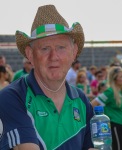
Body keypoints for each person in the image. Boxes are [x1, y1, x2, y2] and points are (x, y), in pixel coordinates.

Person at [0, 4, 94, 150]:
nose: (54, 57)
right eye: (45, 49)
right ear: (30, 55)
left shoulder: (81, 100)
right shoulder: (12, 97)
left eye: (61, 47)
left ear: (74, 52)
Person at [91, 66, 122, 150]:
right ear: (114, 78)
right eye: (121, 76)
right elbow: (93, 104)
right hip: (116, 126)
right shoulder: (110, 91)